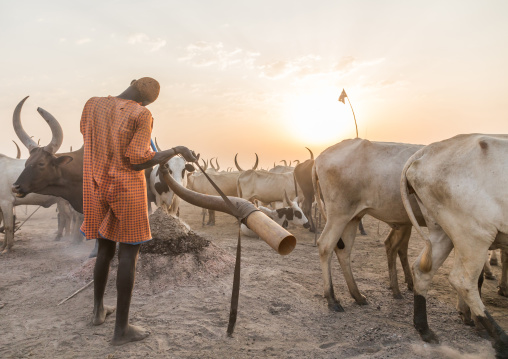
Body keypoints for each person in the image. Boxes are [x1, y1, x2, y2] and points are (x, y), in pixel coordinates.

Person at [80, 77, 197, 345]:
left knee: (105, 249)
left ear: (132, 82)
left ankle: (98, 311)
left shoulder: (92, 104)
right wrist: (176, 150)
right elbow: (138, 160)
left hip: (96, 186)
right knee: (128, 255)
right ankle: (121, 330)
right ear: (145, 102)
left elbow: (89, 136)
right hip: (125, 190)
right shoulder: (141, 114)